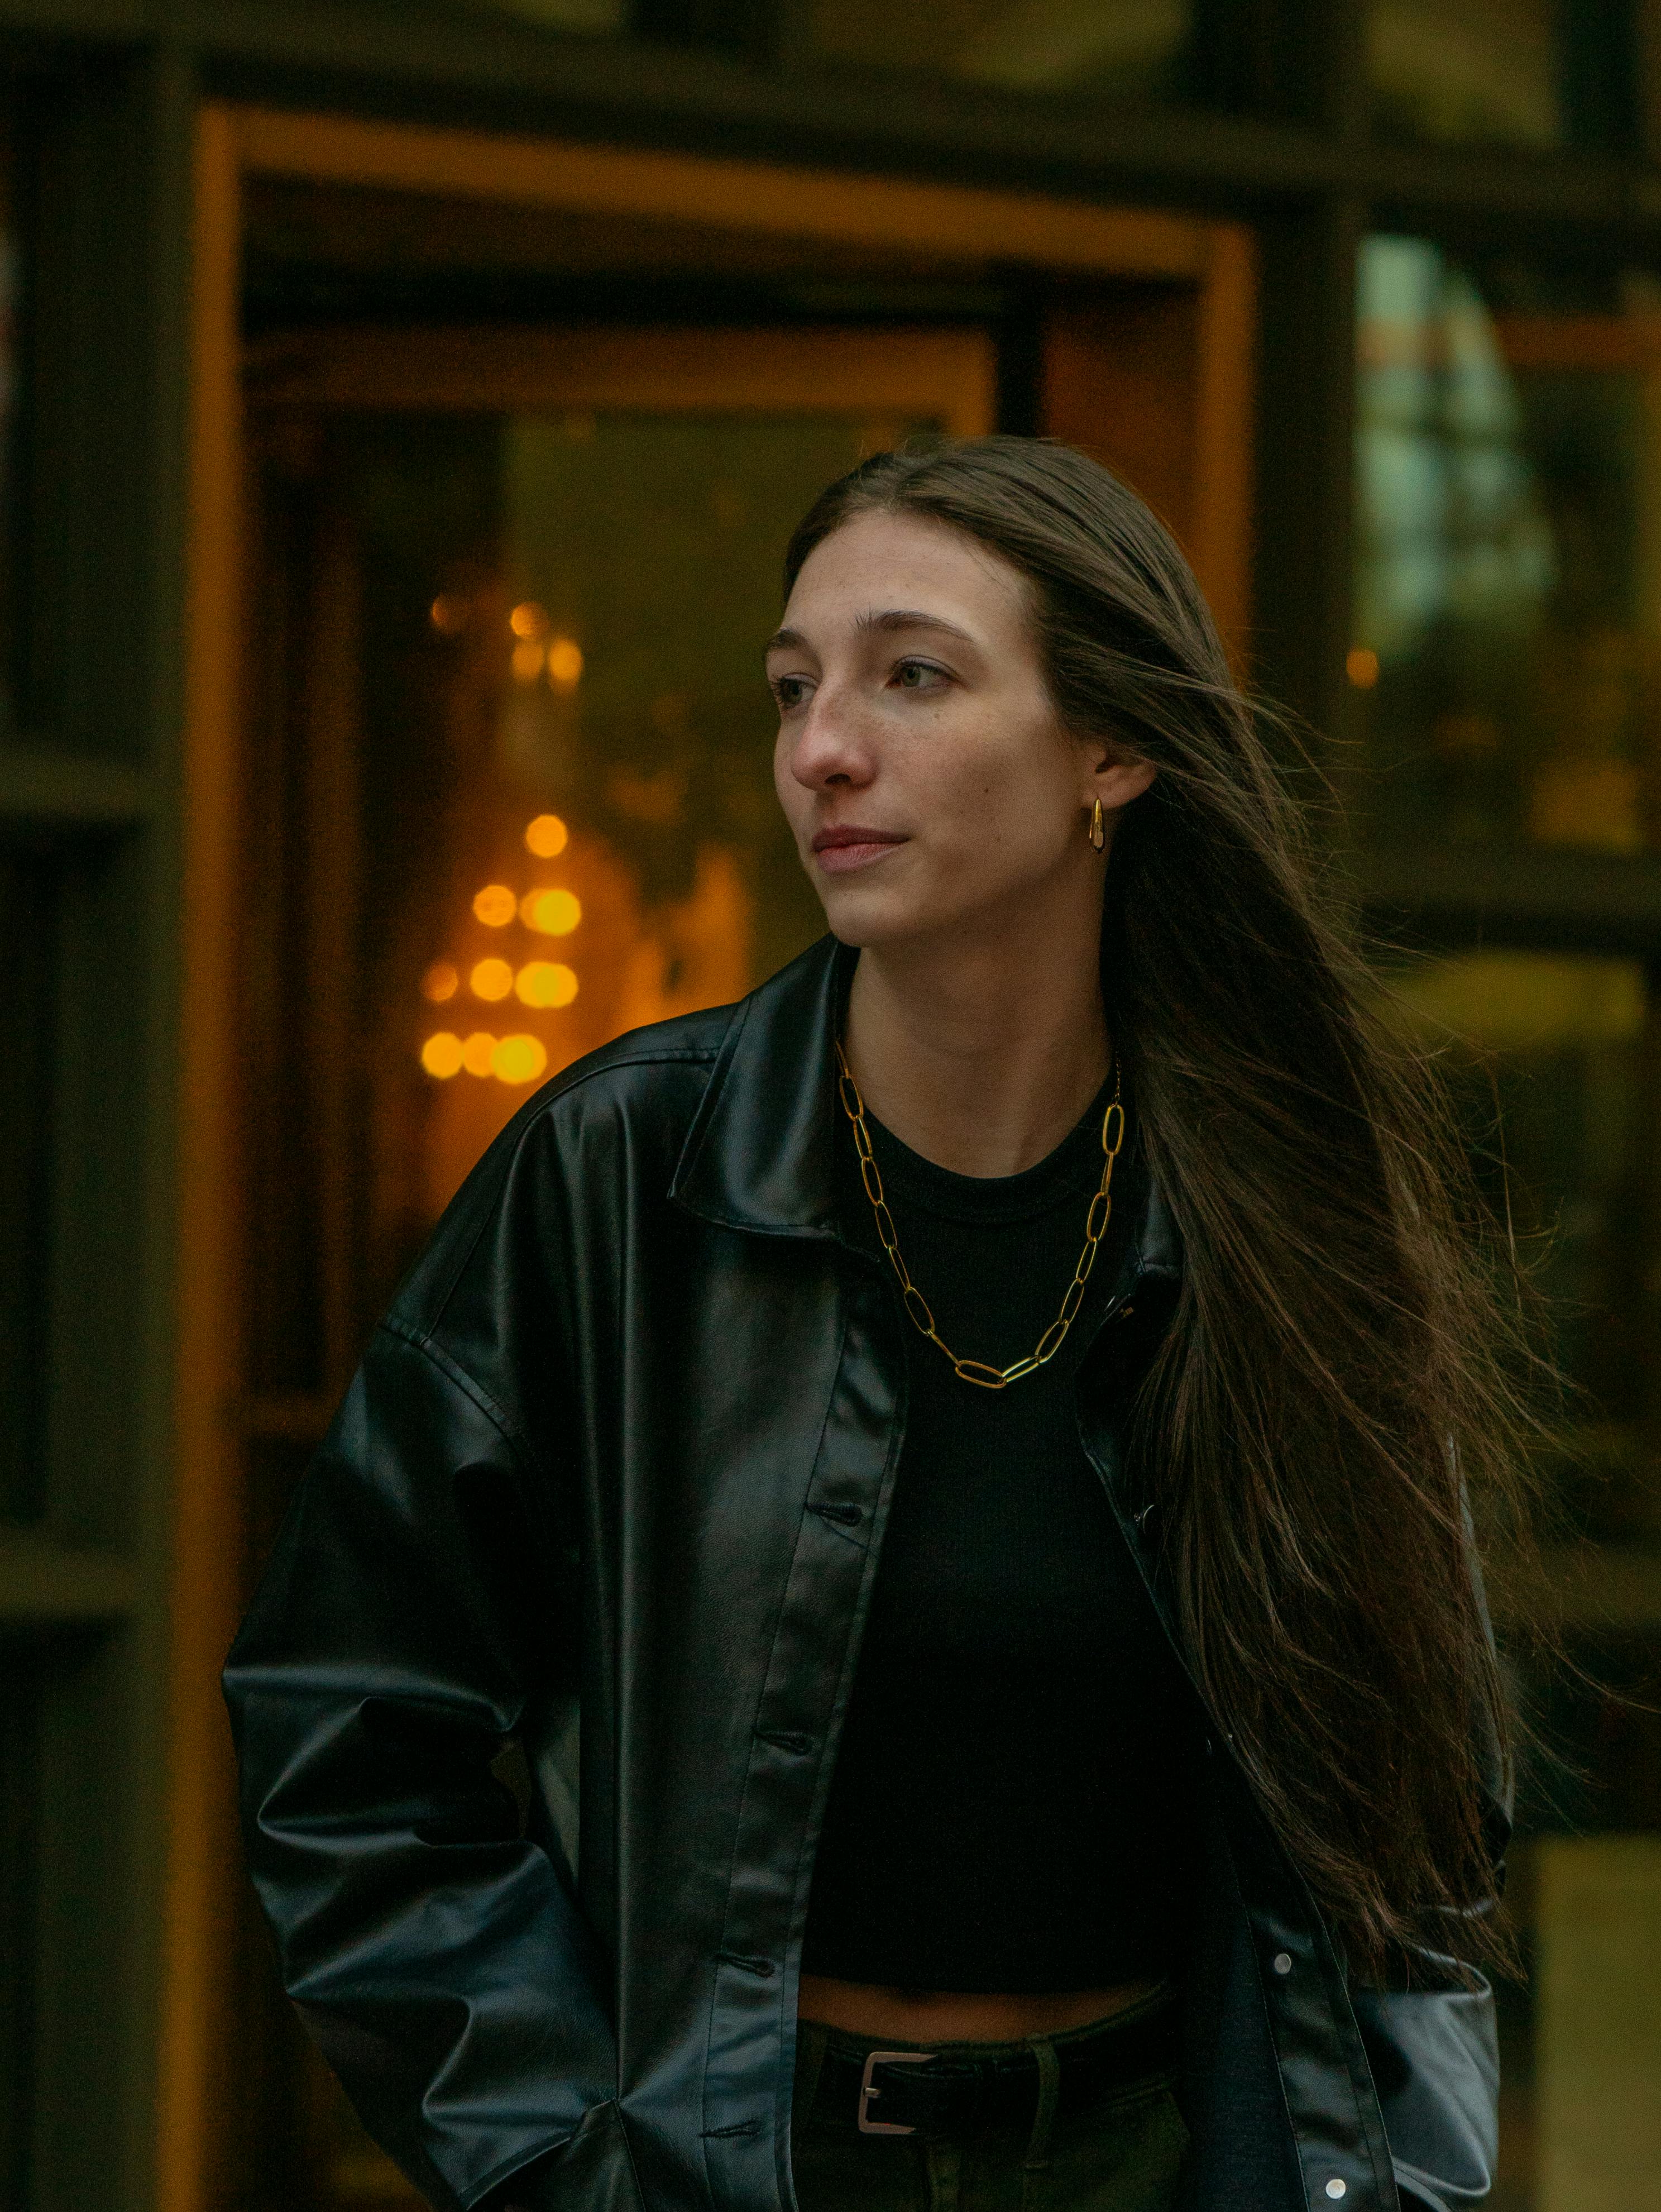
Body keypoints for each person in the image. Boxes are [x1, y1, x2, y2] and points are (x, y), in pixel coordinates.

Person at [224, 438, 1520, 2212]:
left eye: (912, 674)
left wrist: (1400, 2179)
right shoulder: (620, 1179)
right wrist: (553, 2160)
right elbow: (349, 1724)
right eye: (795, 685)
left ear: (1113, 751)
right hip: (748, 2168)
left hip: (1158, 2161)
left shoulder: (1283, 1219)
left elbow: (1421, 1811)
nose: (822, 745)